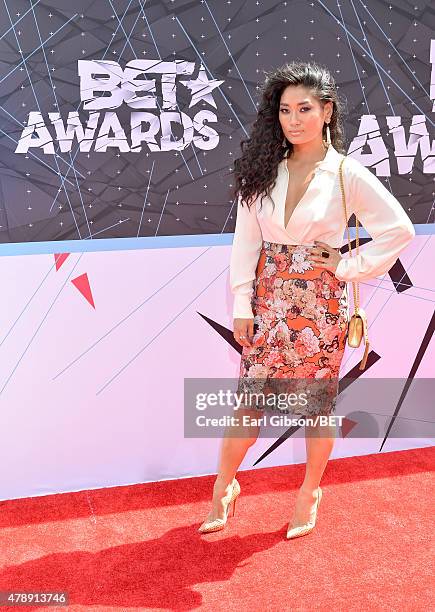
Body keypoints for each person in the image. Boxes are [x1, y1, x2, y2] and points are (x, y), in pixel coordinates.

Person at [198, 61, 415, 538]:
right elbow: (245, 243)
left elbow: (399, 230)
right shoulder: (261, 172)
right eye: (284, 111)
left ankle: (309, 492)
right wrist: (241, 302)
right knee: (248, 404)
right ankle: (224, 486)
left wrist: (344, 265)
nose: (293, 120)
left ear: (327, 111)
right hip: (268, 302)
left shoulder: (346, 173)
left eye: (304, 109)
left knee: (316, 407)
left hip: (321, 307)